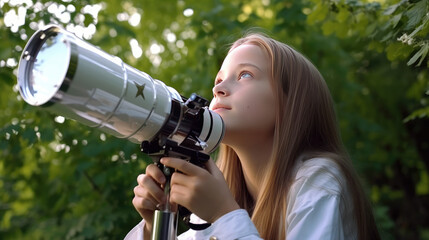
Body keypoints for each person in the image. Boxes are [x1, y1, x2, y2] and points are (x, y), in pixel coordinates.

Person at [125, 33, 380, 240]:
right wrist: (153, 227)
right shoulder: (218, 193)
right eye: (219, 80)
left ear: (290, 102)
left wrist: (224, 216)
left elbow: (227, 221)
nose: (217, 89)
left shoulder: (318, 180)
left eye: (245, 74)